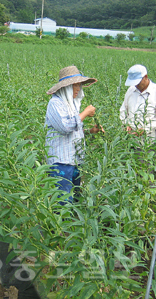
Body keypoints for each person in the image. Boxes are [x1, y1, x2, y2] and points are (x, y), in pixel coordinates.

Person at [45, 65, 102, 205]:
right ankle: (60, 227)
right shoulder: (55, 104)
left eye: (80, 85)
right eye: (75, 86)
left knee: (75, 198)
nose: (78, 89)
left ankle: (72, 226)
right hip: (61, 163)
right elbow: (65, 127)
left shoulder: (72, 104)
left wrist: (90, 131)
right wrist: (85, 113)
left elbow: (74, 132)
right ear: (65, 87)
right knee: (63, 202)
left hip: (75, 160)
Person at [119, 64, 156, 140]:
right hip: (128, 140)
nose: (136, 85)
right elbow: (123, 110)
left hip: (147, 141)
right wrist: (126, 125)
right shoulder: (130, 90)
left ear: (145, 77)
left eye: (138, 82)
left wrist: (144, 129)